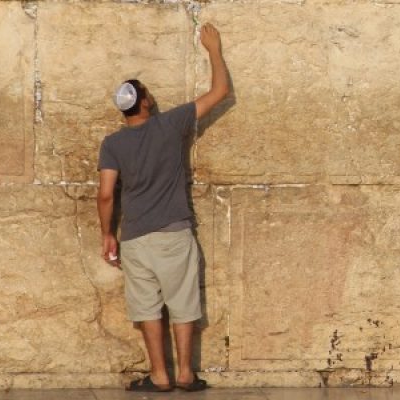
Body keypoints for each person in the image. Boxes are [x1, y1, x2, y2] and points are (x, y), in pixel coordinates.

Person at [96, 23, 229, 392]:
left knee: (147, 310)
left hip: (137, 238)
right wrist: (214, 50)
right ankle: (186, 373)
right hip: (174, 233)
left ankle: (159, 375)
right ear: (146, 102)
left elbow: (106, 194)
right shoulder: (171, 125)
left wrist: (108, 233)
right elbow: (220, 92)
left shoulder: (112, 145)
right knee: (184, 304)